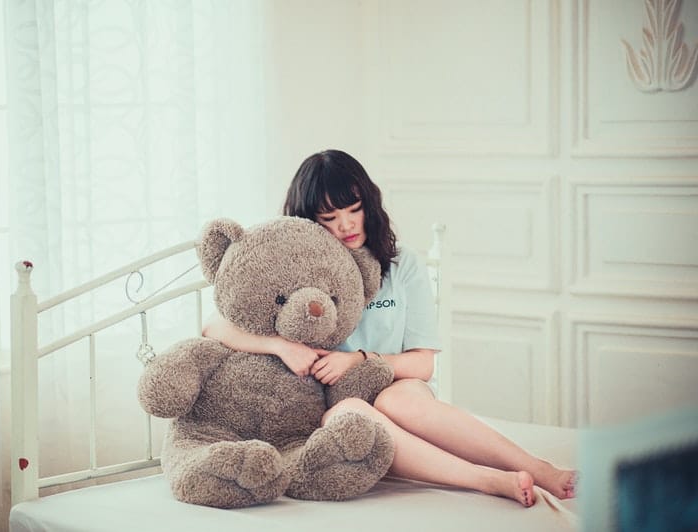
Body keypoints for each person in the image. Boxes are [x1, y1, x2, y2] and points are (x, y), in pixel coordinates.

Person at [203, 149, 576, 507]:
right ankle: (485, 479)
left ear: (369, 204)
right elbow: (214, 327)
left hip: (398, 387)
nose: (346, 225)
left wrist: (359, 361)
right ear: (307, 221)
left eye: (354, 209)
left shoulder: (402, 265)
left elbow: (423, 365)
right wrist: (282, 347)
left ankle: (537, 468)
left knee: (393, 399)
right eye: (330, 217)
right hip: (332, 405)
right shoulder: (295, 267)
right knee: (345, 415)